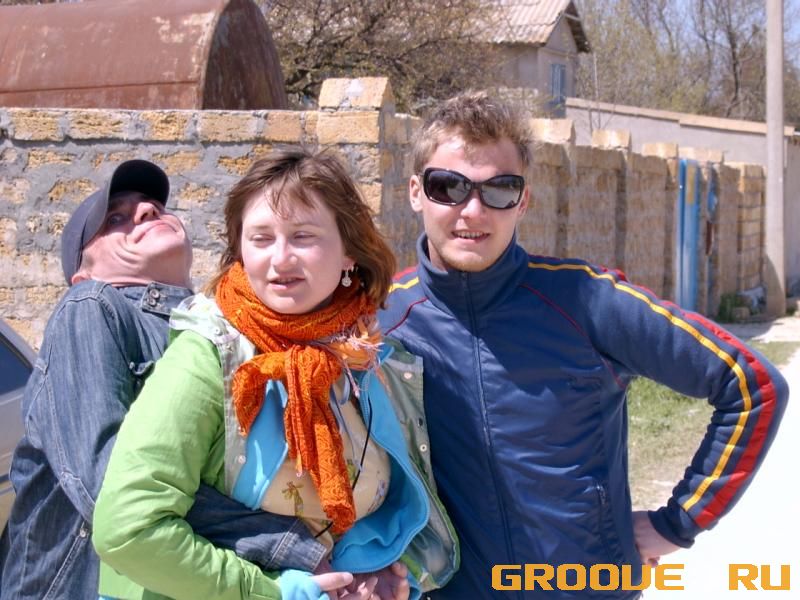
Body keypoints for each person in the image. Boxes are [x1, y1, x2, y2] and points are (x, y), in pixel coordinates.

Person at [379, 92, 789, 598]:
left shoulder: (585, 300)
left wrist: (679, 522)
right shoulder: (382, 322)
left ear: (524, 201)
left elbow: (752, 384)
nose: (473, 210)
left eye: (500, 189)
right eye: (449, 187)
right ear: (416, 192)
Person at [92, 148, 458, 600]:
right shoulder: (209, 356)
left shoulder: (366, 360)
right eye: (261, 239)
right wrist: (271, 592)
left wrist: (370, 573)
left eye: (303, 236)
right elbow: (127, 528)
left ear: (349, 252)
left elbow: (352, 519)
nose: (280, 259)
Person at [0, 160, 330, 599]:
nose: (146, 211)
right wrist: (291, 544)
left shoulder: (222, 328)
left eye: (153, 205)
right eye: (115, 219)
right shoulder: (91, 306)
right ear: (83, 273)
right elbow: (111, 484)